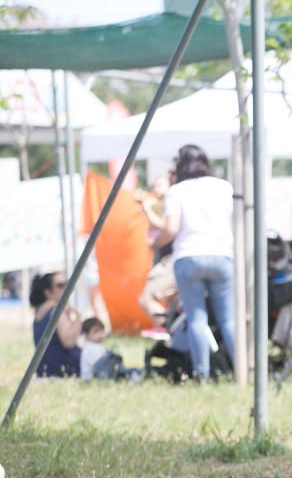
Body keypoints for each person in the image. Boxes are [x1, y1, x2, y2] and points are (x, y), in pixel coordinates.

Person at [154, 144, 237, 380]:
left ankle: (202, 374)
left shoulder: (177, 191)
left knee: (196, 319)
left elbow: (171, 228)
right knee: (228, 319)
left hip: (188, 256)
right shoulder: (223, 187)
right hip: (222, 254)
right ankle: (243, 370)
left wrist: (156, 243)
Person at [137, 170, 178, 334]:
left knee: (147, 297)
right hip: (164, 258)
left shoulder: (171, 202)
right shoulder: (157, 203)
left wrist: (147, 209)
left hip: (171, 259)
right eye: (154, 185)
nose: (156, 188)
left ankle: (168, 329)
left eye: (160, 184)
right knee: (168, 299)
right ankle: (170, 329)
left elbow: (166, 227)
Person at [30, 271, 81, 378]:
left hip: (45, 369)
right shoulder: (57, 310)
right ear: (48, 292)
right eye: (60, 285)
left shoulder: (39, 311)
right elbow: (69, 342)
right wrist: (78, 318)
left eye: (67, 284)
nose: (66, 288)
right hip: (65, 369)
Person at [80, 317, 141, 381]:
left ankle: (135, 374)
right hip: (93, 378)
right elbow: (99, 366)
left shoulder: (96, 346)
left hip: (101, 374)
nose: (100, 334)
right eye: (96, 332)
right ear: (86, 334)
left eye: (102, 331)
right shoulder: (89, 349)